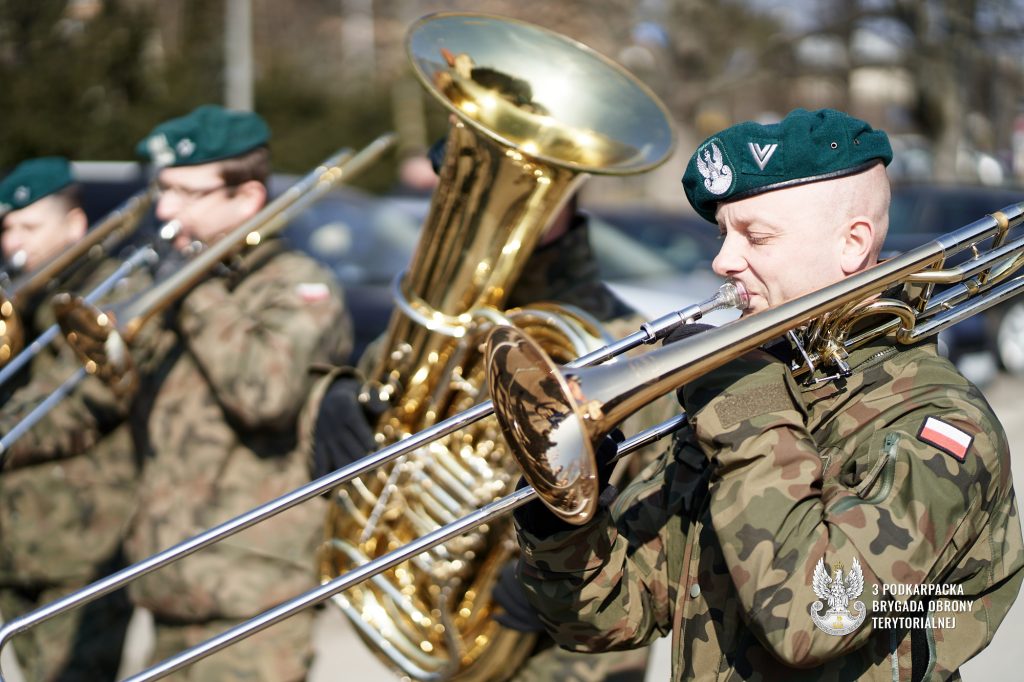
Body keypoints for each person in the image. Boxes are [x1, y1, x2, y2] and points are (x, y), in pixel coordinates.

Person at [512, 108, 1024, 680]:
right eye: (723, 234)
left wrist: (748, 406)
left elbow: (815, 618)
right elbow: (620, 614)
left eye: (756, 236)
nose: (722, 260)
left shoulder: (939, 422)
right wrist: (557, 522)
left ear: (852, 245)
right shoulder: (762, 389)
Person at [308, 129, 667, 682]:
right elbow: (387, 401)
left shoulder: (624, 339)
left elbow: (659, 499)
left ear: (565, 195)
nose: (489, 219)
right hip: (441, 627)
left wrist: (553, 562)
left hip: (573, 653)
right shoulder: (445, 316)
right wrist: (334, 396)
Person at [126, 104, 352, 681]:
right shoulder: (188, 284)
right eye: (163, 190)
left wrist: (191, 289)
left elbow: (264, 393)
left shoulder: (298, 286)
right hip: (169, 576)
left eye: (185, 192)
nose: (164, 209)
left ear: (247, 197)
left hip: (253, 593)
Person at [0, 156, 140, 681]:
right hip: (14, 543)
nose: (14, 241)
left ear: (75, 225)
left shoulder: (109, 293)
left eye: (30, 226)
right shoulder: (17, 296)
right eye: (8, 227)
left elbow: (80, 403)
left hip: (80, 544)